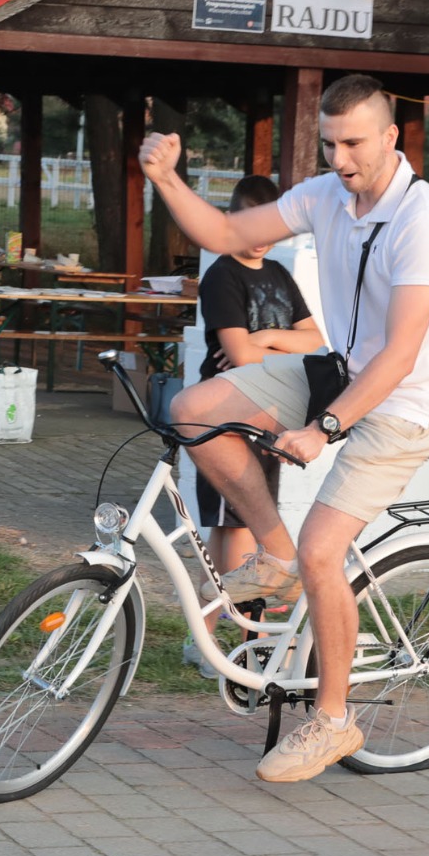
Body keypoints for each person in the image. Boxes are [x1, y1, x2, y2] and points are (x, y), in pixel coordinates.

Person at [137, 74, 429, 783]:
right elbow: (227, 233)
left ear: (389, 137)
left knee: (328, 550)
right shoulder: (327, 196)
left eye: (353, 143)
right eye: (328, 142)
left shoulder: (424, 220)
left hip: (407, 402)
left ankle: (335, 720)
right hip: (343, 373)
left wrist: (325, 427)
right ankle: (273, 557)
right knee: (194, 410)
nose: (340, 157)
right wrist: (166, 178)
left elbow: (403, 353)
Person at [182, 174, 324, 678]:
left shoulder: (281, 275)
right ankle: (240, 642)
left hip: (268, 416)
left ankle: (217, 638)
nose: (261, 237)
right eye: (250, 225)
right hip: (226, 419)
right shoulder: (222, 274)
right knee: (234, 531)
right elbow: (238, 355)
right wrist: (269, 344)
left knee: (244, 530)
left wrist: (264, 334)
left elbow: (316, 338)